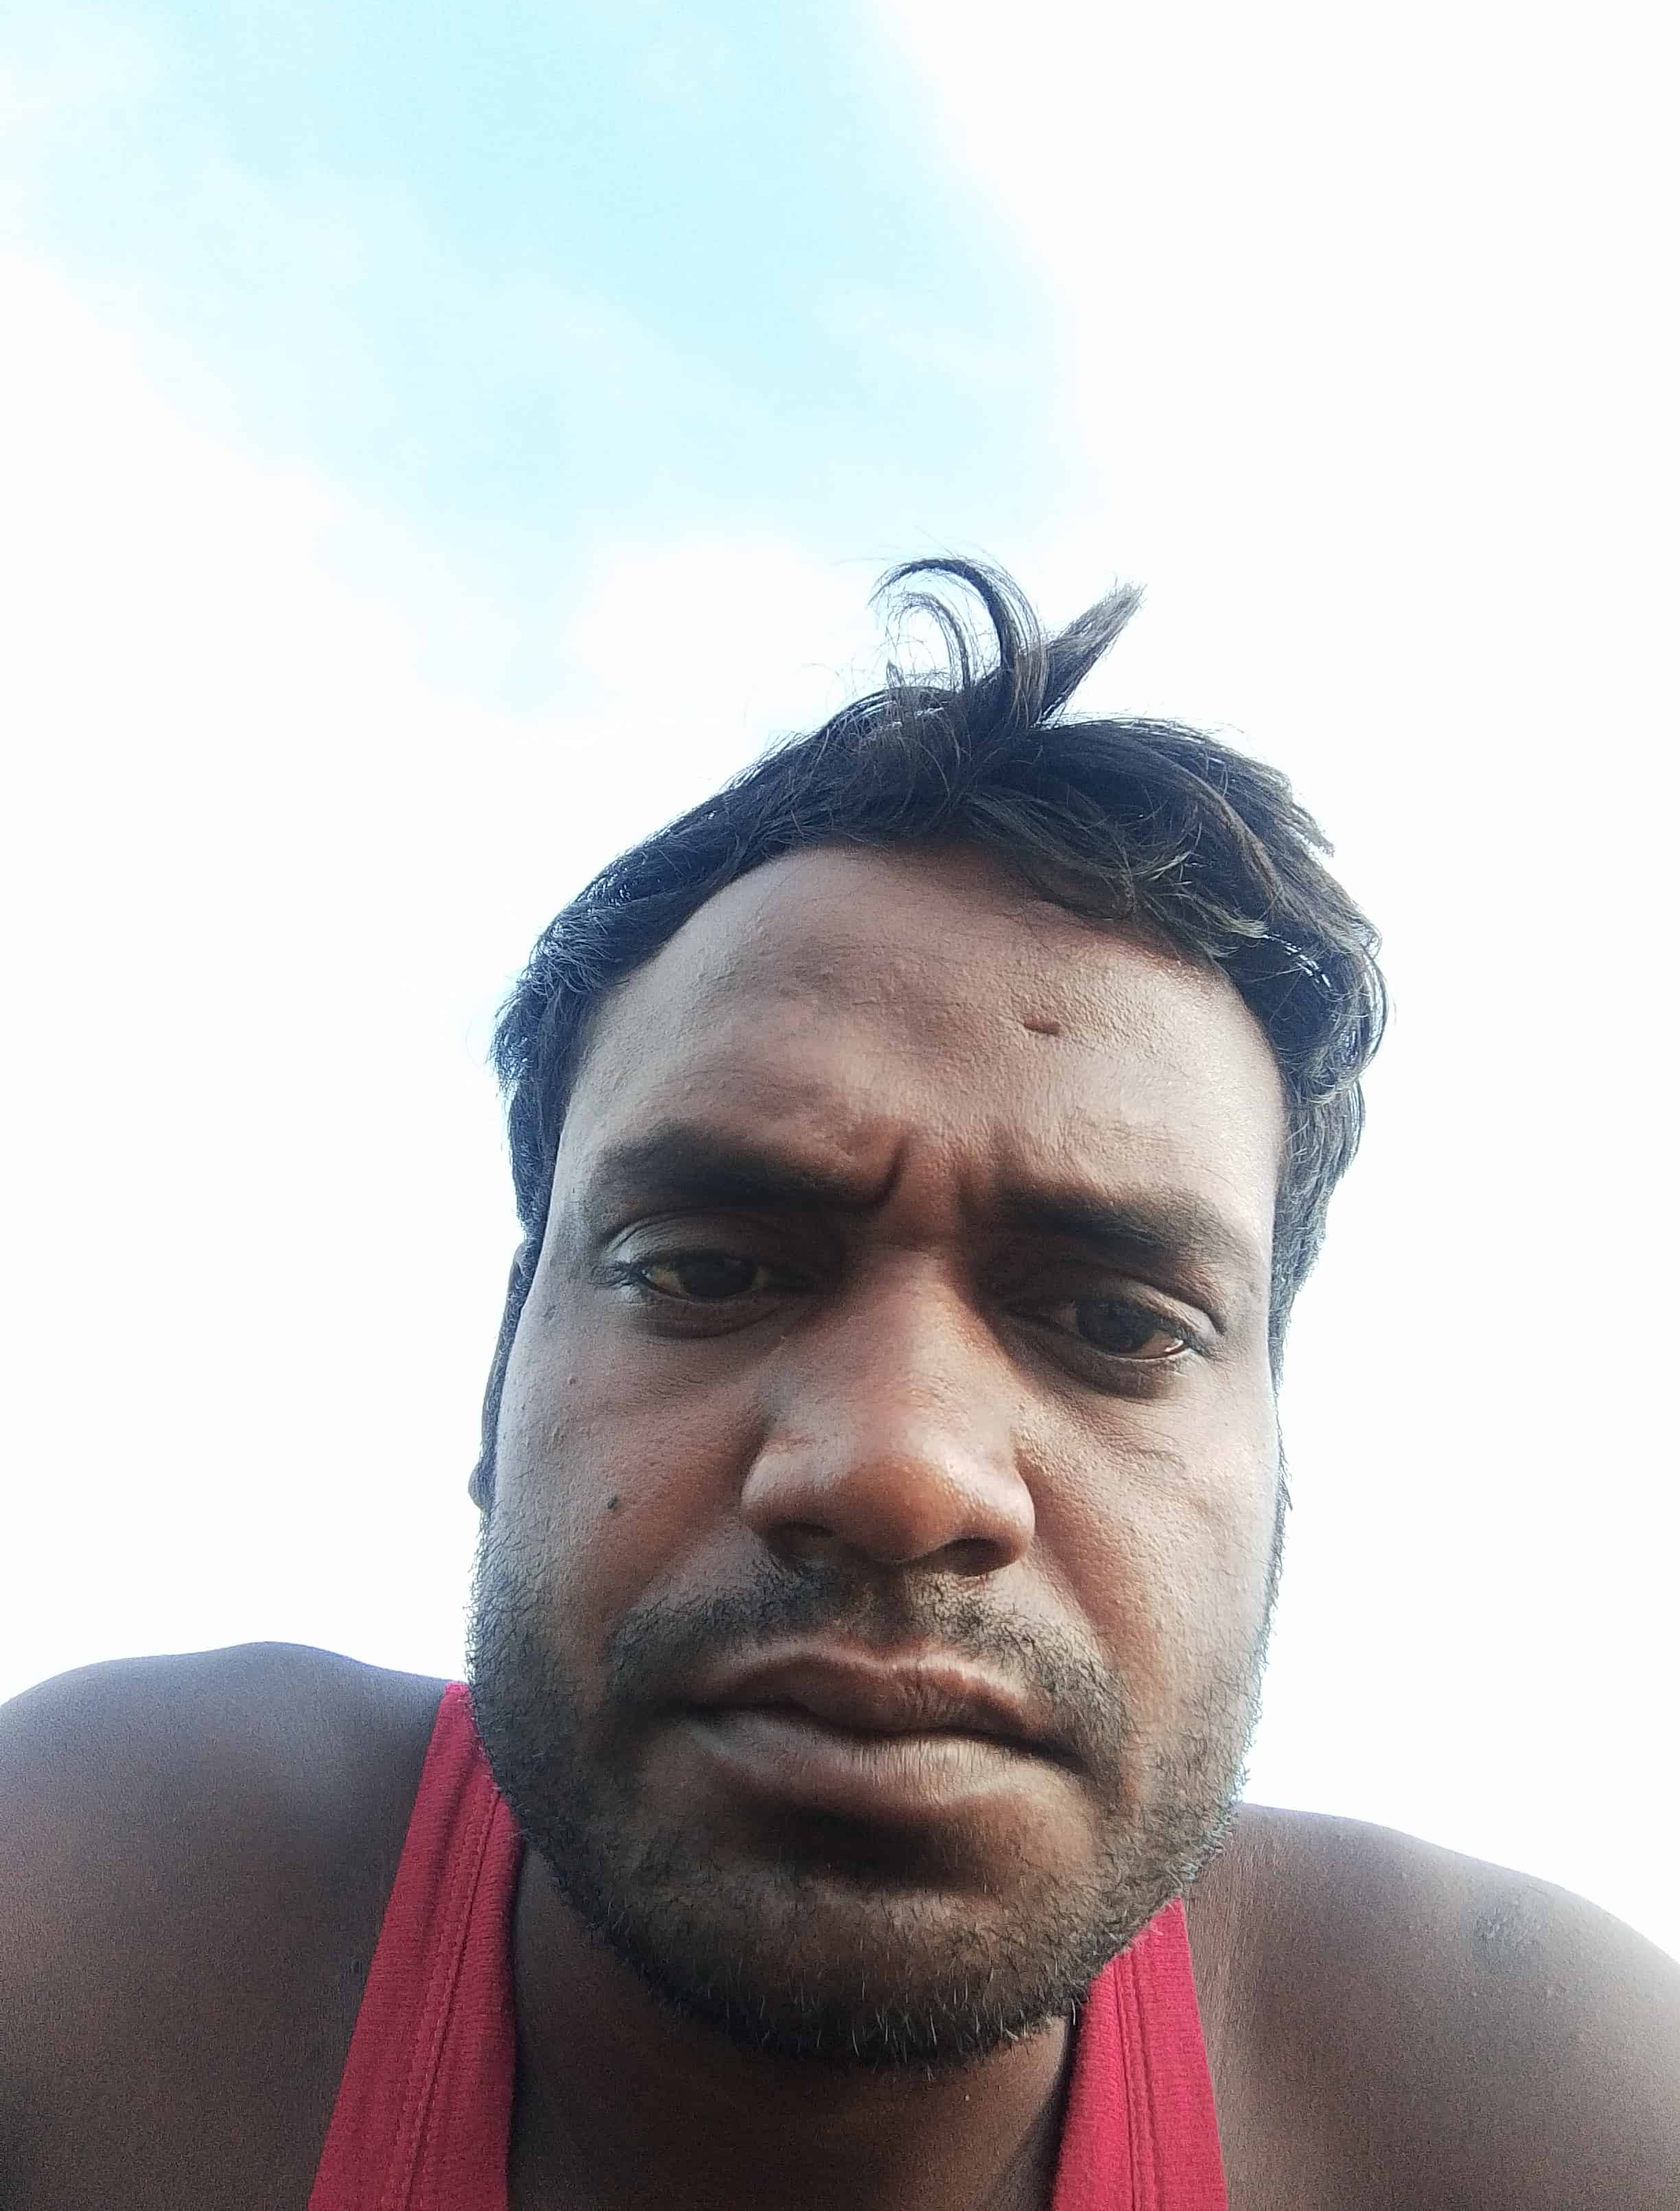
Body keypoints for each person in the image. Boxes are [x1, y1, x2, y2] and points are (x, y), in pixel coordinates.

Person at [1, 560, 1675, 2211]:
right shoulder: (91, 1901)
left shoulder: (1544, 2114)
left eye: (1118, 1319)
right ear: (500, 1379)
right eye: (703, 1270)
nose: (898, 1470)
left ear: (1277, 1469)